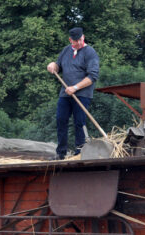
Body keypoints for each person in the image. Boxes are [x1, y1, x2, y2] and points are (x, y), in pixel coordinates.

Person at [46, 27, 100, 160]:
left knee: (79, 122)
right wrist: (53, 66)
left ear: (83, 37)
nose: (79, 43)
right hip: (65, 94)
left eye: (81, 39)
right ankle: (61, 153)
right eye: (76, 41)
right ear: (70, 40)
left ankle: (79, 153)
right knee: (60, 120)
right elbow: (58, 66)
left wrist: (75, 87)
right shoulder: (66, 50)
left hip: (82, 94)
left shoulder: (90, 52)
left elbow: (93, 77)